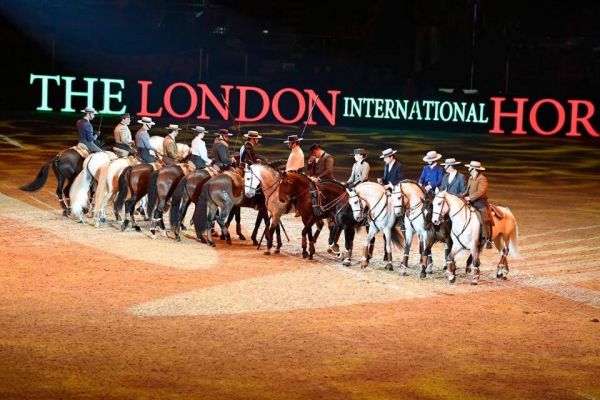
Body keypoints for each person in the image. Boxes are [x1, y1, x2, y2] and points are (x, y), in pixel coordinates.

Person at [462, 161, 493, 249]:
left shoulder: (482, 179)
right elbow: (467, 190)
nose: (468, 169)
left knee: (484, 218)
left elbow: (480, 192)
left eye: (470, 167)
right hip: (471, 202)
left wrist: (470, 198)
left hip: (480, 202)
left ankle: (487, 239)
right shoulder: (471, 178)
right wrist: (463, 195)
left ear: (474, 169)